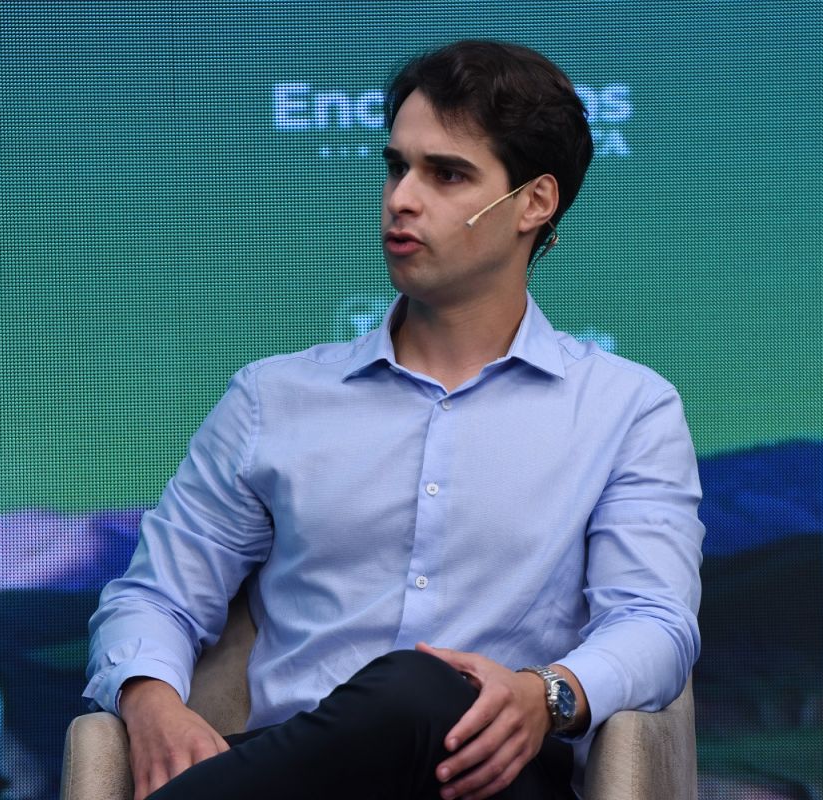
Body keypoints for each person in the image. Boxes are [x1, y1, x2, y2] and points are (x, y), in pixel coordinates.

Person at [84, 40, 704, 800]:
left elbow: (654, 622)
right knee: (396, 697)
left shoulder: (627, 409)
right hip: (295, 773)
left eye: (446, 175)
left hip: (490, 776)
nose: (401, 198)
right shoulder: (271, 398)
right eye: (396, 167)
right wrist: (148, 699)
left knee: (421, 688)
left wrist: (547, 694)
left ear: (535, 203)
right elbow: (156, 596)